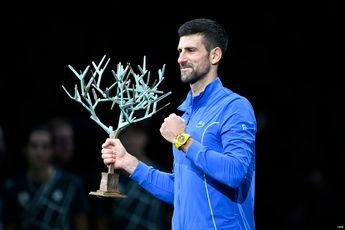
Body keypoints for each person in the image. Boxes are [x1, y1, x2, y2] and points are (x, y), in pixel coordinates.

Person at [101, 18, 257, 230]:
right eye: (180, 51)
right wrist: (128, 162)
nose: (181, 59)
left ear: (215, 55)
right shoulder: (187, 115)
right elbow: (180, 191)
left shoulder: (235, 107)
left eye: (191, 50)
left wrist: (182, 140)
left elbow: (235, 173)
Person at [1, 121, 90, 230]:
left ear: (52, 150)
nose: (39, 153)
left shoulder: (72, 184)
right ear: (25, 149)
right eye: (34, 146)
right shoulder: (15, 188)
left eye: (45, 147)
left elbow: (81, 224)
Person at [111, 121, 173, 230]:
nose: (131, 139)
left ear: (145, 137)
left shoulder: (162, 174)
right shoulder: (111, 174)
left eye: (136, 133)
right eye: (126, 134)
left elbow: (170, 217)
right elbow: (103, 216)